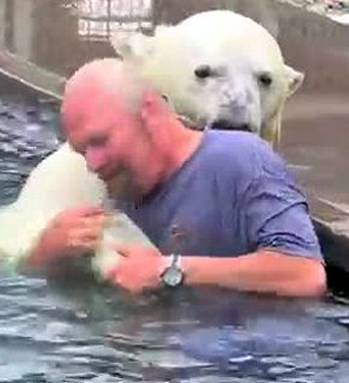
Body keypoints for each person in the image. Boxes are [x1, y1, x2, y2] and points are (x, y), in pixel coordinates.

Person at [25, 58, 326, 298]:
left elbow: (306, 274)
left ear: (148, 111)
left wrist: (169, 271)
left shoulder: (240, 160)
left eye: (100, 141)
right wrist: (45, 252)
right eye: (82, 151)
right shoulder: (118, 189)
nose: (93, 163)